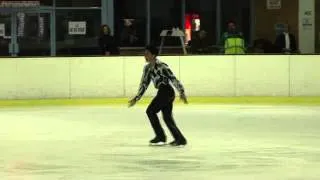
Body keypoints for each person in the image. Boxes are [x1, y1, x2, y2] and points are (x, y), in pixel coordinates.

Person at [128, 45, 188, 147]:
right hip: (163, 92)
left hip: (166, 91)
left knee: (150, 111)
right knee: (167, 118)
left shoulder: (162, 66)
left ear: (153, 55)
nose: (145, 55)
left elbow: (173, 79)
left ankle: (161, 137)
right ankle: (180, 139)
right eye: (145, 53)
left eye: (147, 53)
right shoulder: (147, 68)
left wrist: (181, 92)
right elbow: (144, 84)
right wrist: (137, 98)